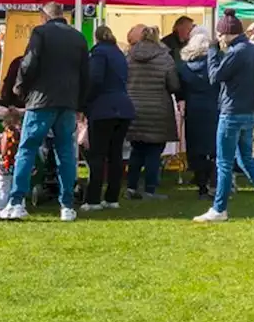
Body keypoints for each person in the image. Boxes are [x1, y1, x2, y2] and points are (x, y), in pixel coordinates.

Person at [0, 2, 89, 222]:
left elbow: (28, 64)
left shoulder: (41, 33)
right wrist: (80, 104)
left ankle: (16, 201)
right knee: (66, 152)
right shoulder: (78, 37)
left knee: (27, 149)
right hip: (67, 102)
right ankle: (67, 206)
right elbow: (86, 74)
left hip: (40, 101)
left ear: (43, 16)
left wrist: (20, 88)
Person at [193, 9, 254, 223]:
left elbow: (214, 76)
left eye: (220, 34)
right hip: (248, 111)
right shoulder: (251, 49)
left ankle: (219, 209)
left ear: (228, 33)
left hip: (231, 113)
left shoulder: (236, 52)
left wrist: (213, 52)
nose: (219, 38)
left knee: (224, 162)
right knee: (247, 160)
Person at [82, 25, 136, 211]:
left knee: (97, 155)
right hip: (123, 107)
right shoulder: (119, 54)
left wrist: (85, 102)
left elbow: (95, 79)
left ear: (96, 38)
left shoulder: (98, 54)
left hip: (103, 109)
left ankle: (93, 199)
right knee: (116, 155)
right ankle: (112, 198)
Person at [123, 26, 180, 200]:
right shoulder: (165, 58)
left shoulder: (129, 57)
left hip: (134, 108)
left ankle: (131, 187)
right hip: (158, 110)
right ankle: (150, 189)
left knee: (136, 150)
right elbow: (174, 85)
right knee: (154, 152)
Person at [177, 28, 219, 200]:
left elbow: (180, 90)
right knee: (214, 148)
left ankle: (201, 185)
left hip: (193, 110)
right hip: (214, 108)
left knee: (195, 148)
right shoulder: (215, 65)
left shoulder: (183, 67)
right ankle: (213, 183)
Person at [0, 109, 20, 212]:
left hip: (3, 167)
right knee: (18, 187)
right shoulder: (21, 136)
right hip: (17, 166)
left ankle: (1, 210)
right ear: (19, 121)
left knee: (3, 190)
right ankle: (18, 208)